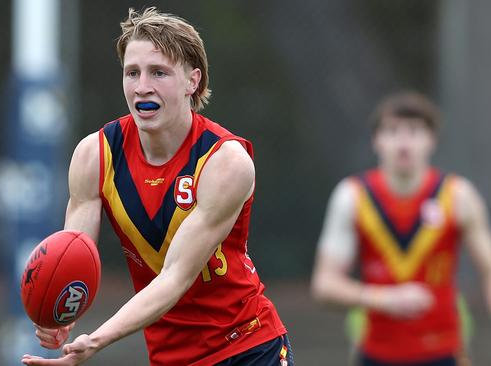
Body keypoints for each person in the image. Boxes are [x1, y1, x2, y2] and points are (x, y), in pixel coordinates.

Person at [22, 7, 292, 366]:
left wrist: (97, 341)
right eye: (132, 72)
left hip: (246, 347)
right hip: (169, 357)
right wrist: (63, 313)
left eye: (159, 73)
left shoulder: (224, 161)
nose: (142, 86)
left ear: (192, 81)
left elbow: (175, 277)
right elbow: (75, 256)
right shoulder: (95, 155)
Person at [311, 91, 491, 366]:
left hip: (446, 354)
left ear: (432, 140)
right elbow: (324, 285)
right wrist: (384, 299)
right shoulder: (351, 197)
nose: (403, 143)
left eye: (414, 131)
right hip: (376, 355)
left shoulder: (458, 196)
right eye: (392, 131)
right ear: (376, 141)